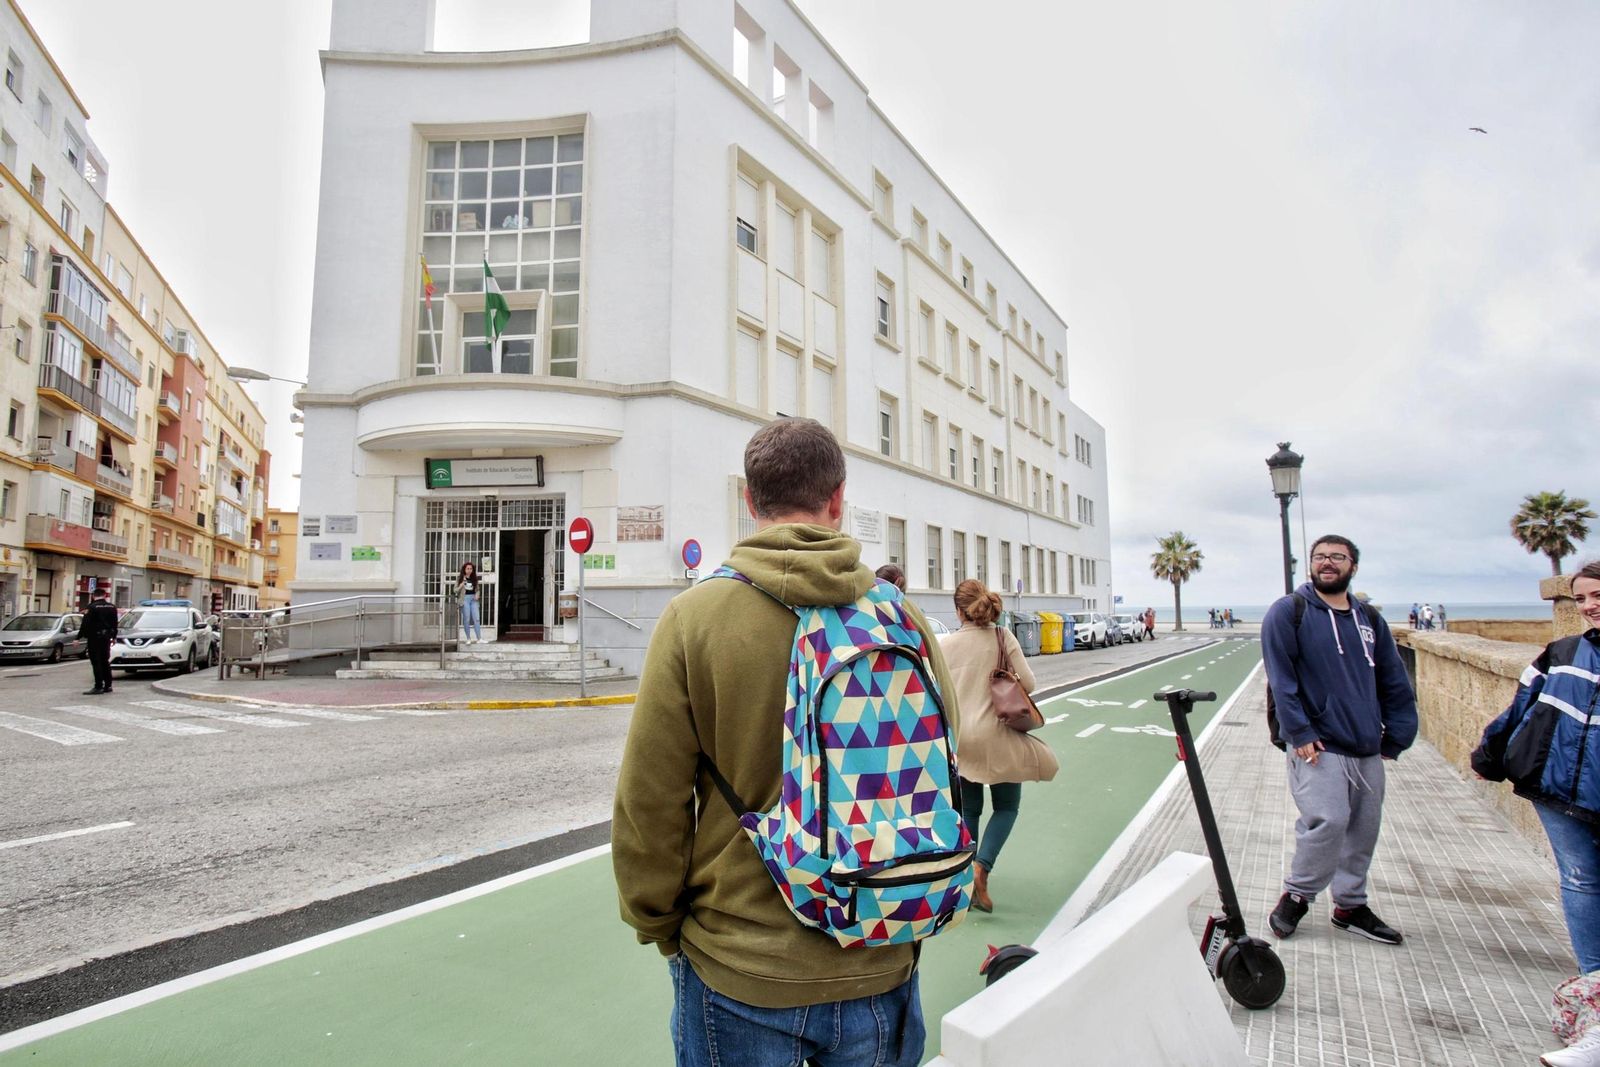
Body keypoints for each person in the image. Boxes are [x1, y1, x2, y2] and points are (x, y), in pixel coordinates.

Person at [613, 418, 955, 1067]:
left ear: (750, 500)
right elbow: (947, 761)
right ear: (838, 499)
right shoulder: (901, 617)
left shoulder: (694, 618)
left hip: (738, 965)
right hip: (881, 956)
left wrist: (658, 922)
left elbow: (649, 802)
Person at [1473, 561, 1600, 1067]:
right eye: (1582, 598)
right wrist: (1488, 756)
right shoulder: (1564, 652)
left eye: (1597, 594)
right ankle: (1594, 1007)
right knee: (1580, 883)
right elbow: (1522, 705)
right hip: (1556, 791)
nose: (1590, 604)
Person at [1262, 534, 1418, 945]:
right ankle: (1297, 895)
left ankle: (1350, 904)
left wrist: (1397, 735)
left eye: (1337, 557)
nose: (1327, 563)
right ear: (1310, 565)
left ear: (1353, 566)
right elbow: (1281, 679)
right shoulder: (1288, 612)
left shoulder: (1369, 619)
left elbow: (1393, 679)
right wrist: (1299, 732)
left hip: (1366, 745)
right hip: (1318, 744)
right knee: (1327, 821)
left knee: (1364, 829)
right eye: (1319, 557)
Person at [939, 578, 1058, 913]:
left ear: (958, 610)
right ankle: (982, 868)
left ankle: (965, 878)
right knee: (1006, 807)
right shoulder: (1002, 637)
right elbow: (1029, 683)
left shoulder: (946, 645)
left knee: (970, 810)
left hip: (961, 739)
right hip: (998, 734)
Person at [78, 586, 119, 695]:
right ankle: (108, 685)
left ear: (93, 596)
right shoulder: (112, 607)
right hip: (106, 638)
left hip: (94, 638)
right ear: (105, 595)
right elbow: (115, 624)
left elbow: (85, 624)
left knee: (96, 662)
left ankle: (98, 686)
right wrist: (114, 637)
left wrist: (78, 638)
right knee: (105, 661)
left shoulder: (91, 607)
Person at [456, 561, 483, 644]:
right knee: (467, 619)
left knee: (477, 619)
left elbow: (477, 590)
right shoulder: (460, 579)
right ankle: (468, 638)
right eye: (467, 568)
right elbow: (455, 590)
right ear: (464, 569)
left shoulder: (474, 579)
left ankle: (479, 638)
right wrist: (461, 585)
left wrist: (477, 595)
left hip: (473, 600)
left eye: (471, 569)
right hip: (464, 600)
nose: (469, 570)